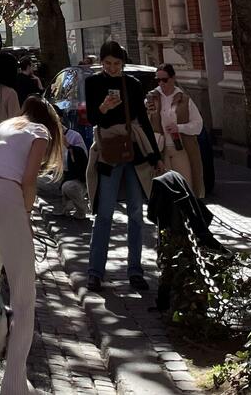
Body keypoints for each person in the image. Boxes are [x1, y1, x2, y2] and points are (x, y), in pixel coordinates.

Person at [0, 94, 64, 395]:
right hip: (6, 198)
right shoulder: (40, 131)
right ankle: (14, 384)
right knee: (23, 297)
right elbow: (29, 180)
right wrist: (25, 216)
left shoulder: (3, 126)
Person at [85, 41, 163, 292]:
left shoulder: (133, 84)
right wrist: (103, 107)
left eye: (117, 64)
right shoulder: (94, 82)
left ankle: (135, 270)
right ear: (101, 62)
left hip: (135, 152)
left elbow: (143, 120)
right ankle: (95, 271)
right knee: (104, 214)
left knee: (136, 215)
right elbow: (93, 120)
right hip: (108, 152)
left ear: (123, 63)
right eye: (107, 63)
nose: (112, 68)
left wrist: (155, 155)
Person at [146, 63, 205, 198]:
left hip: (181, 149)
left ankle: (187, 216)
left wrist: (179, 128)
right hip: (161, 150)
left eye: (164, 80)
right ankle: (172, 218)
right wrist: (148, 114)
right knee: (166, 190)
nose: (161, 83)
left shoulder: (184, 99)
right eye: (158, 80)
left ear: (172, 78)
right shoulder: (151, 98)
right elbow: (143, 125)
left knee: (185, 187)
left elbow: (198, 125)